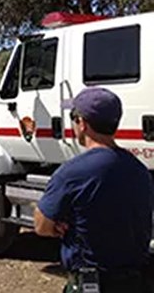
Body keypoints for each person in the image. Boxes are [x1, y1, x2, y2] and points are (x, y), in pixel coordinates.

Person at [34, 87, 154, 293]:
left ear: (82, 123)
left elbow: (41, 225)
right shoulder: (139, 170)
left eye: (73, 117)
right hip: (136, 281)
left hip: (94, 283)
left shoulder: (71, 173)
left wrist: (60, 225)